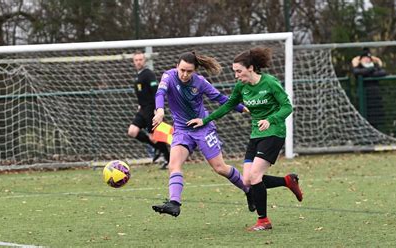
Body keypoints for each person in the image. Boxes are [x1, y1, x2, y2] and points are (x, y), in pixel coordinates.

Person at [187, 46, 303, 231]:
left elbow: (287, 107)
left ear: (251, 68)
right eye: (234, 71)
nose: (236, 75)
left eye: (238, 71)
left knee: (255, 176)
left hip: (274, 133)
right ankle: (287, 181)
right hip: (256, 134)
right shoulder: (241, 86)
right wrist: (205, 120)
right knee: (248, 180)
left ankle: (263, 221)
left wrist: (270, 119)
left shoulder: (270, 83)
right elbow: (228, 105)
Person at [151, 51, 251, 217]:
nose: (184, 74)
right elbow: (160, 93)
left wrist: (241, 108)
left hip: (203, 128)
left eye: (189, 71)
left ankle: (249, 190)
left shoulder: (200, 82)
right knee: (173, 165)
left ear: (195, 71)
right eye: (182, 70)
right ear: (177, 66)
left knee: (220, 168)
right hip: (182, 130)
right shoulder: (168, 77)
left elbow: (220, 98)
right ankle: (174, 203)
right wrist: (160, 110)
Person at [127, 51, 170, 170]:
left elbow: (156, 92)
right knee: (132, 131)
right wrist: (140, 105)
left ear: (144, 61)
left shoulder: (148, 74)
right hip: (142, 109)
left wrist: (157, 108)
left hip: (150, 109)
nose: (138, 62)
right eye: (136, 60)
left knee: (155, 137)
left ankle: (169, 159)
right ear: (133, 62)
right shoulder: (139, 75)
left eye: (140, 59)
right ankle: (158, 149)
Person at [351, 48, 387, 128]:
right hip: (364, 97)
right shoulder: (359, 68)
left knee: (375, 120)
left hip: (375, 97)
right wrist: (370, 70)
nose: (367, 60)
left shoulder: (375, 67)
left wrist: (373, 68)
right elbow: (357, 72)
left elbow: (383, 73)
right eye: (365, 58)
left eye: (368, 58)